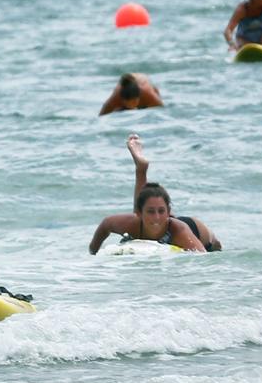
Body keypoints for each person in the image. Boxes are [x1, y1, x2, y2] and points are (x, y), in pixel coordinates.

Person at [89, 134, 221, 254]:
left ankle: (141, 169)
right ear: (140, 213)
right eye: (151, 212)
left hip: (196, 233)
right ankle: (141, 169)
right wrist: (93, 252)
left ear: (169, 211)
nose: (157, 217)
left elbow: (203, 259)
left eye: (161, 211)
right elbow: (106, 225)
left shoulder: (180, 232)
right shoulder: (130, 224)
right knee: (143, 208)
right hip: (145, 224)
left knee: (216, 246)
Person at [99, 73, 164, 116]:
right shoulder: (115, 98)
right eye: (128, 104)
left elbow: (161, 109)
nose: (132, 107)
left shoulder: (148, 94)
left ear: (139, 98)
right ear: (123, 100)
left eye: (134, 103)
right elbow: (102, 115)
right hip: (127, 83)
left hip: (144, 81)